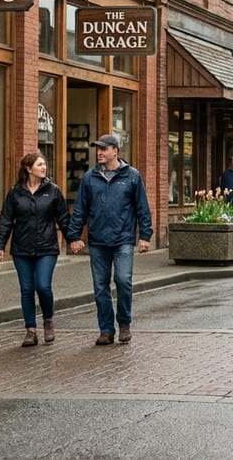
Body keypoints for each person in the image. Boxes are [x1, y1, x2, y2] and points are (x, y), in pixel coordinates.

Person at [67, 133, 153, 346]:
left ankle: (124, 324)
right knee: (100, 286)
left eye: (104, 149)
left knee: (123, 280)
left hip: (123, 239)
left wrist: (145, 236)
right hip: (98, 241)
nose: (99, 153)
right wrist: (74, 236)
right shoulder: (90, 178)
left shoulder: (132, 176)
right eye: (98, 149)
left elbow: (142, 207)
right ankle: (106, 329)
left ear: (115, 151)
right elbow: (80, 209)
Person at [0, 151, 81, 347]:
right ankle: (30, 330)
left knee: (42, 286)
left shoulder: (53, 191)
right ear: (28, 168)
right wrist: (0, 245)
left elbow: (63, 219)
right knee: (26, 289)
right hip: (21, 248)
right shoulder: (15, 192)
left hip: (47, 247)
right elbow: (6, 220)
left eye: (44, 164)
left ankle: (48, 321)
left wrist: (73, 239)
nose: (44, 167)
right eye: (39, 164)